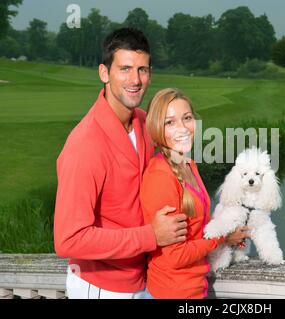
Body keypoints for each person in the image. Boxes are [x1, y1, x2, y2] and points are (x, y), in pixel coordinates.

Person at [53, 28, 188, 299]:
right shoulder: (85, 144)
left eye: (143, 70)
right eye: (125, 69)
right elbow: (68, 239)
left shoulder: (143, 122)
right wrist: (151, 236)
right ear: (104, 73)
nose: (135, 80)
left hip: (142, 281)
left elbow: (176, 176)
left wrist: (220, 231)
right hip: (100, 287)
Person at [140, 88, 248, 299]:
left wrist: (228, 227)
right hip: (171, 292)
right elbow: (175, 256)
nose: (182, 128)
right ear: (155, 128)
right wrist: (222, 237)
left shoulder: (188, 164)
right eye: (169, 122)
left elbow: (197, 229)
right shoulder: (160, 177)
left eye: (187, 118)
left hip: (195, 288)